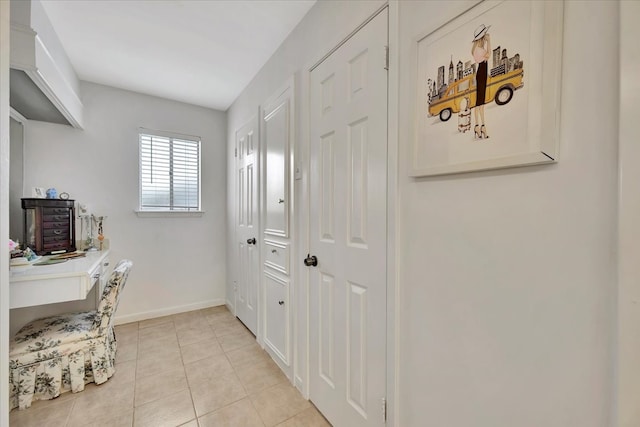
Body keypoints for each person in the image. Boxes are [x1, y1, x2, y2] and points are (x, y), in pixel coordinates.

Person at [472, 24, 491, 139]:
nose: (485, 38)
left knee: (480, 103)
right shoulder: (479, 50)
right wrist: (489, 41)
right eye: (484, 36)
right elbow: (489, 54)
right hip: (481, 74)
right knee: (479, 102)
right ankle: (479, 126)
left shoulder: (477, 49)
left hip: (482, 73)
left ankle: (480, 126)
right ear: (481, 38)